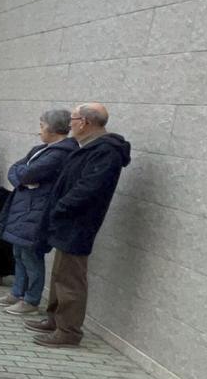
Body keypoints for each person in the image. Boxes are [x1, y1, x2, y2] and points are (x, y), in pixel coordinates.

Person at [26, 103, 131, 347]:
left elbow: (88, 188)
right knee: (60, 273)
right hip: (67, 220)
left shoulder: (105, 151)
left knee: (71, 279)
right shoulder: (87, 147)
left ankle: (69, 331)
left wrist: (61, 208)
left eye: (73, 119)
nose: (69, 124)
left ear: (84, 122)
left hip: (78, 222)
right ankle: (54, 319)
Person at [0, 109, 77, 315]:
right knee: (18, 253)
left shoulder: (60, 153)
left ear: (54, 128)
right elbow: (15, 170)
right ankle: (17, 292)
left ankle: (31, 300)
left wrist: (25, 179)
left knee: (31, 256)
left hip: (37, 211)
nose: (39, 131)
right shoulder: (41, 149)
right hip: (24, 208)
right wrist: (23, 180)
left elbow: (27, 173)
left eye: (41, 125)